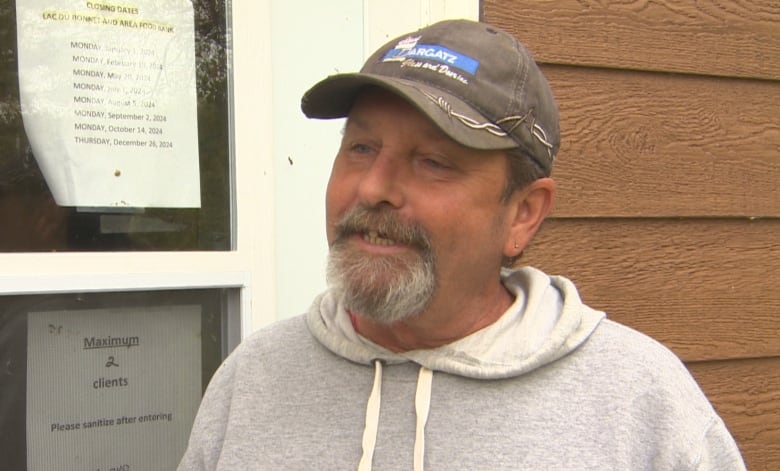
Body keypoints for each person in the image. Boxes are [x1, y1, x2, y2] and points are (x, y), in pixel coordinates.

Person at [178, 19, 745, 470]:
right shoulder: (255, 377)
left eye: (433, 162)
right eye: (361, 148)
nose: (373, 189)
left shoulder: (639, 403)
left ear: (522, 214)